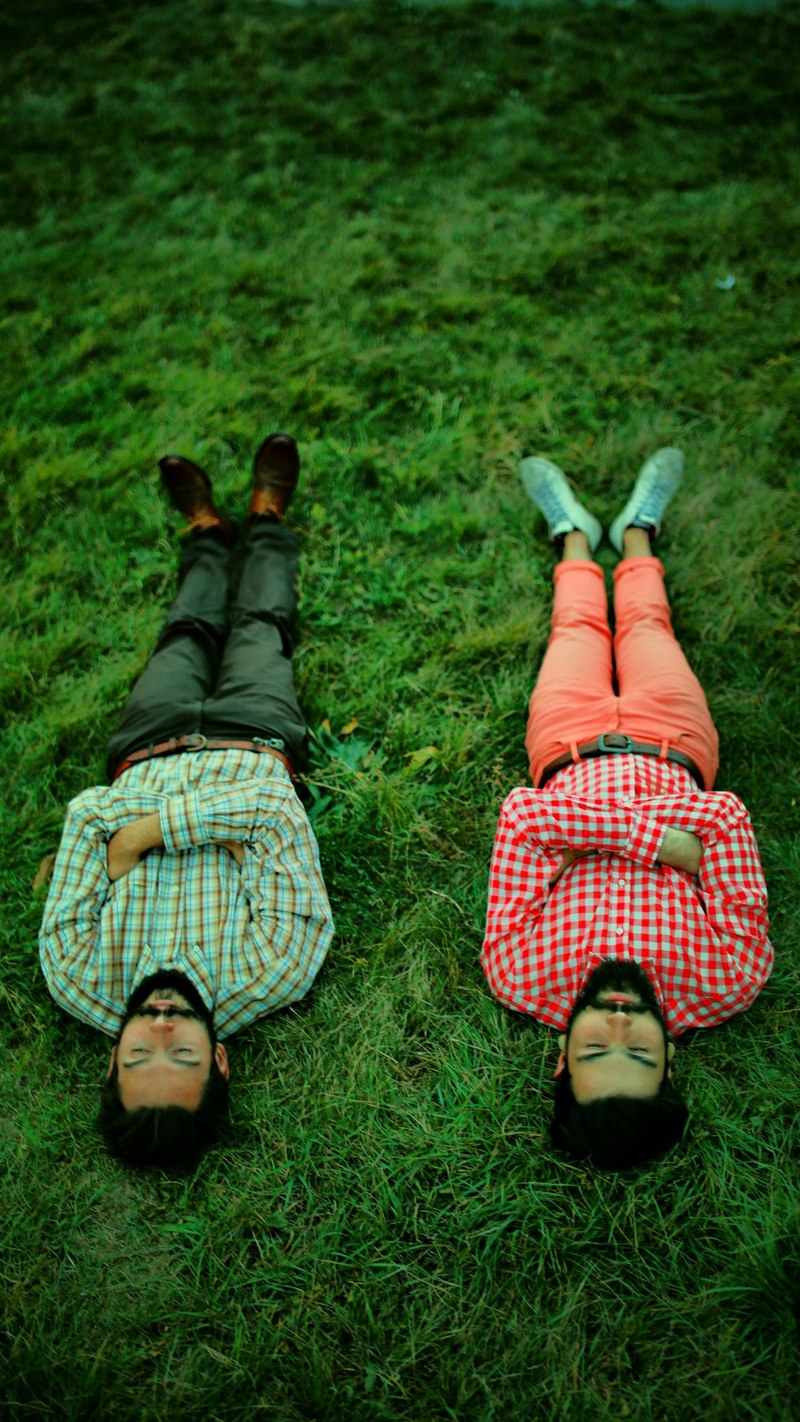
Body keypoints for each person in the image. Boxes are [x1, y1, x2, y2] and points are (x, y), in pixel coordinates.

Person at [39, 433, 334, 1169]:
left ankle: (205, 532)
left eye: (141, 1055)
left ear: (111, 1063)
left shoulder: (76, 973)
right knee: (260, 626)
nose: (163, 1028)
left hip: (146, 743)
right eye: (185, 1054)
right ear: (220, 1060)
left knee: (184, 634)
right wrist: (133, 840)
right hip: (255, 735)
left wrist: (148, 837)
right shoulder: (274, 970)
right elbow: (277, 812)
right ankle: (267, 519)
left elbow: (85, 815)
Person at [481, 449, 773, 1170]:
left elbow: (522, 819)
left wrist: (668, 846)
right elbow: (728, 818)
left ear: (561, 1060)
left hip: (566, 742)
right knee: (647, 625)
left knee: (575, 629)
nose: (617, 1022)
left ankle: (575, 535)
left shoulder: (517, 974)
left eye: (595, 1049)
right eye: (637, 1052)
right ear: (669, 1063)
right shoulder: (730, 977)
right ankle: (638, 530)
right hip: (675, 738)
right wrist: (579, 846)